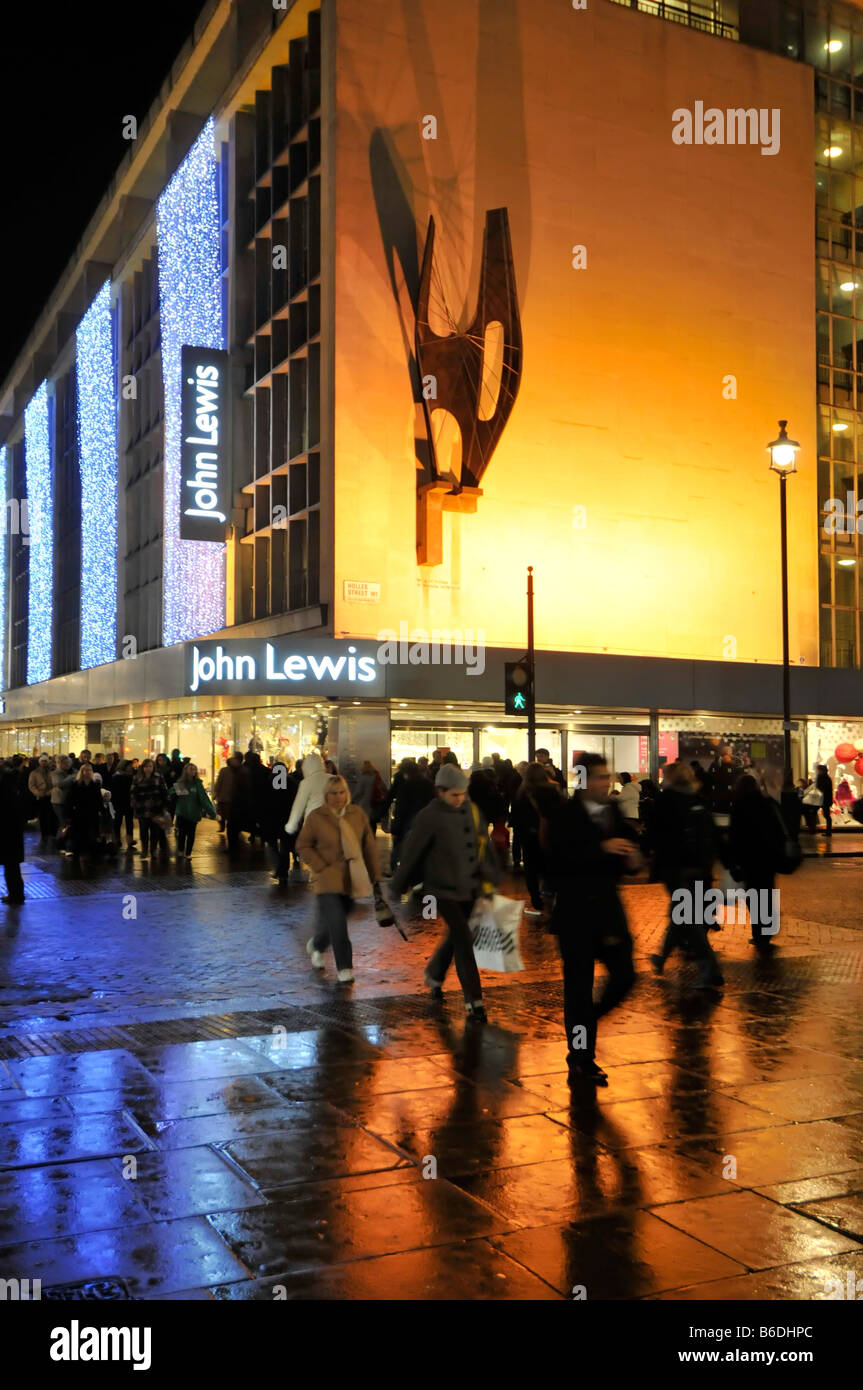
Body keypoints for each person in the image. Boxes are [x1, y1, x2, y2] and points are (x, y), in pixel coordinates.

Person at [542, 754, 639, 1085]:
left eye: (607, 776)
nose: (605, 783)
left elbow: (625, 856)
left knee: (625, 975)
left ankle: (589, 1019)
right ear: (583, 781)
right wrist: (602, 848)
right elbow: (556, 863)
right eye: (599, 777)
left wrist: (632, 858)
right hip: (575, 913)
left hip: (609, 910)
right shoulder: (563, 815)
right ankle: (581, 1058)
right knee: (578, 990)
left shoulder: (612, 811)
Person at [390, 764, 499, 1023]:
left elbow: (484, 846)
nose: (459, 799)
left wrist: (491, 878)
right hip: (441, 889)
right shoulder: (429, 816)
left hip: (470, 887)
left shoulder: (471, 811)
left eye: (462, 794)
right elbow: (412, 851)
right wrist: (398, 884)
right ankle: (475, 1001)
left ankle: (435, 974)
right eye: (454, 794)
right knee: (463, 939)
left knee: (457, 936)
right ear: (440, 791)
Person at [644, 761, 723, 989]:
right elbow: (713, 832)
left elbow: (654, 831)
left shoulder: (666, 799)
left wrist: (644, 854)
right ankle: (661, 957)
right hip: (700, 867)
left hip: (676, 867)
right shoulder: (696, 798)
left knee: (686, 917)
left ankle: (710, 968)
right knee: (682, 914)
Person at [295, 775, 380, 984]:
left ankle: (317, 944)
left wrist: (375, 874)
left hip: (350, 878)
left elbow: (369, 846)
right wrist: (320, 866)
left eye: (342, 792)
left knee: (345, 912)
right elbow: (303, 845)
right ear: (326, 795)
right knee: (338, 922)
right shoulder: (316, 817)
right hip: (326, 879)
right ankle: (345, 968)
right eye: (333, 793)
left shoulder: (357, 814)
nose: (338, 797)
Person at [728, 773, 790, 950]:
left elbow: (735, 836)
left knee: (753, 896)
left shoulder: (740, 806)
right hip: (768, 857)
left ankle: (760, 933)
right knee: (767, 892)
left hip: (750, 858)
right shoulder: (767, 803)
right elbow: (779, 830)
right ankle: (767, 929)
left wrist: (733, 860)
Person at [511, 762, 559, 916]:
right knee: (549, 866)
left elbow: (517, 816)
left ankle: (536, 899)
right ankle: (550, 895)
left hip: (528, 836)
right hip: (549, 835)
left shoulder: (522, 792)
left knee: (530, 869)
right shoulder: (551, 790)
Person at [383, 758, 434, 872]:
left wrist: (386, 817)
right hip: (421, 821)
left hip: (405, 821)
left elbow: (396, 801)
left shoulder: (403, 783)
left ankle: (396, 869)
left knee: (399, 845)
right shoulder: (427, 783)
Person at [66, 763, 108, 871]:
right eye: (85, 770)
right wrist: (69, 814)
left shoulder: (95, 785)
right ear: (82, 772)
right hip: (79, 814)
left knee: (92, 835)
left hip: (92, 813)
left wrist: (103, 811)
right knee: (81, 835)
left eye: (90, 770)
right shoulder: (75, 784)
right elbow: (70, 800)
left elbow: (98, 800)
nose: (88, 772)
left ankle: (89, 856)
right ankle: (80, 856)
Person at [172, 762, 217, 858]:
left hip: (194, 813)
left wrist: (212, 813)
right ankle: (180, 850)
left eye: (194, 769)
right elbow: (171, 793)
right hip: (182, 813)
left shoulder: (197, 784)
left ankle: (188, 853)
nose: (192, 771)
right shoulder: (181, 783)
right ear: (185, 770)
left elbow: (203, 799)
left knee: (191, 834)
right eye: (190, 769)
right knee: (182, 834)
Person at [286, 750, 332, 839]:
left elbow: (298, 807)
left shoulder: (306, 783)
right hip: (333, 825)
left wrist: (290, 827)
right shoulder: (333, 779)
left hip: (312, 826)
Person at [131, 758, 170, 859]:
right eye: (146, 766)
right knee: (143, 830)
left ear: (153, 767)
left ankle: (153, 850)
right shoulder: (138, 778)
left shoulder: (158, 777)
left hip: (156, 808)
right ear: (143, 768)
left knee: (154, 831)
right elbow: (133, 791)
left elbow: (164, 791)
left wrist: (165, 805)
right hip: (142, 807)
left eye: (150, 766)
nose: (148, 768)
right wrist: (135, 801)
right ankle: (144, 850)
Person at [0, 762, 26, 904]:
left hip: (6, 834)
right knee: (12, 867)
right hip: (13, 835)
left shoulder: (5, 791)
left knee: (11, 867)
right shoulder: (12, 789)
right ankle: (17, 895)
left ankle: (15, 896)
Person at [28, 755, 57, 841]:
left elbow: (55, 783)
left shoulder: (52, 772)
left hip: (50, 795)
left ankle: (51, 831)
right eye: (42, 761)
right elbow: (31, 785)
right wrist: (37, 793)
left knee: (51, 814)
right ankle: (44, 832)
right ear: (39, 762)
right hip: (40, 796)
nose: (44, 763)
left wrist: (50, 791)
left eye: (45, 761)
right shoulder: (34, 773)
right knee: (42, 815)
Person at [110, 759, 136, 850]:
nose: (131, 768)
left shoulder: (117, 776)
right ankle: (120, 839)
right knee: (120, 821)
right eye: (129, 766)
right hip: (120, 801)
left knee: (125, 821)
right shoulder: (120, 776)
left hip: (124, 801)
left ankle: (123, 839)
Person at [214, 754, 241, 834]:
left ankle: (222, 827)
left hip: (223, 796)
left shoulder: (224, 770)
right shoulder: (238, 771)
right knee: (230, 815)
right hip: (232, 798)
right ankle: (230, 828)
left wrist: (216, 792)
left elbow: (219, 782)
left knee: (222, 813)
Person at [816, 764, 834, 838]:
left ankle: (828, 831)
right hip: (826, 799)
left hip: (823, 799)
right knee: (826, 815)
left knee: (826, 815)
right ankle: (828, 831)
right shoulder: (827, 778)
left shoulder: (822, 778)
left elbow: (820, 788)